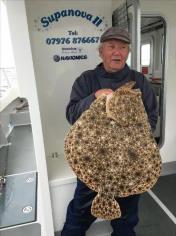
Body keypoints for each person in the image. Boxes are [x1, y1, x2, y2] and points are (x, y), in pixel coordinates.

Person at [61, 27, 158, 236]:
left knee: (126, 220)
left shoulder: (139, 81)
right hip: (93, 163)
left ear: (128, 52)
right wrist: (94, 97)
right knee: (78, 215)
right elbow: (71, 115)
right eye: (111, 46)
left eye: (123, 47)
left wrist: (136, 136)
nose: (117, 52)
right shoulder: (86, 80)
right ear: (101, 51)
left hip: (130, 167)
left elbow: (151, 118)